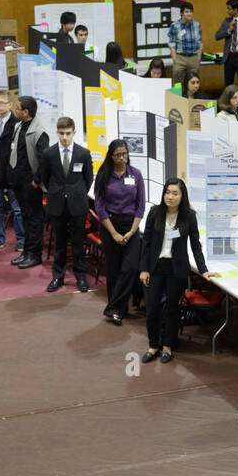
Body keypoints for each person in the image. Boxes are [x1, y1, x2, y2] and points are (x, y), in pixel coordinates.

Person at [138, 179, 217, 362]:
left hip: (176, 269)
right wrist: (144, 269)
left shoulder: (188, 216)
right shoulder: (155, 212)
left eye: (175, 193)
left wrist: (203, 270)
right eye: (167, 192)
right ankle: (153, 345)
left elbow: (195, 244)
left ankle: (167, 345)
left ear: (182, 196)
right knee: (152, 309)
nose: (170, 197)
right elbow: (146, 243)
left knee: (172, 309)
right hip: (155, 267)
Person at [95, 139, 146, 325]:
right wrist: (114, 233)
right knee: (114, 270)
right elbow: (99, 208)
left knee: (131, 267)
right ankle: (117, 310)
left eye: (124, 154)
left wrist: (132, 231)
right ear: (111, 156)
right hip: (110, 225)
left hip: (131, 226)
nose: (122, 158)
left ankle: (112, 308)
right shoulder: (103, 176)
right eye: (118, 155)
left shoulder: (136, 174)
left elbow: (141, 206)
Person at [42, 117, 93, 293]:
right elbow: (44, 177)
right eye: (62, 133)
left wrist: (76, 192)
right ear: (57, 132)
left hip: (77, 205)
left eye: (68, 133)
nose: (65, 137)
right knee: (59, 244)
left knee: (78, 244)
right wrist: (56, 191)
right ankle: (58, 277)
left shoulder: (83, 153)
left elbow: (89, 178)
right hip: (57, 204)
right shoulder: (49, 154)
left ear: (74, 133)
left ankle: (81, 277)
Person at [7, 96, 52, 269]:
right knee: (25, 218)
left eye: (17, 108)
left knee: (34, 220)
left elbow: (44, 161)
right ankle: (26, 251)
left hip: (31, 184)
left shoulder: (39, 133)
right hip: (18, 181)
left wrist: (37, 181)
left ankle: (35, 254)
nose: (15, 110)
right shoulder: (19, 126)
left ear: (26, 112)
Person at [0, 89, 25, 254]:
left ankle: (22, 240)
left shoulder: (16, 124)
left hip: (10, 171)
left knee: (16, 207)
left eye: (2, 102)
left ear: (10, 105)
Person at [167, 1, 202, 90]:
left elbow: (199, 43)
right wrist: (175, 59)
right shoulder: (175, 26)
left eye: (190, 11)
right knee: (178, 85)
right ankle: (177, 101)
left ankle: (191, 102)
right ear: (182, 13)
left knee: (194, 84)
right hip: (180, 58)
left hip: (193, 58)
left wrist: (198, 59)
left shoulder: (196, 25)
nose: (189, 14)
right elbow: (172, 44)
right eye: (187, 11)